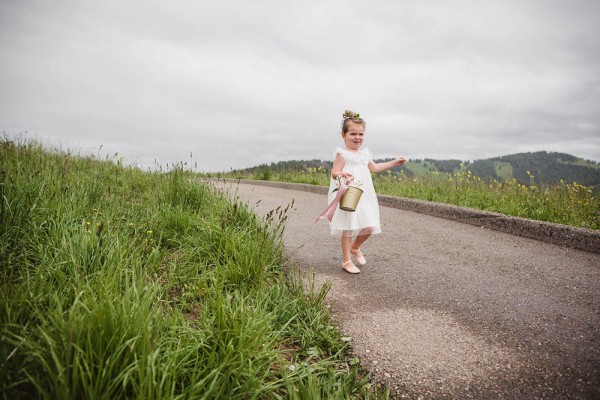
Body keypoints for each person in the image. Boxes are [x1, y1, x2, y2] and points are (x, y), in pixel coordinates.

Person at [327, 110, 405, 274]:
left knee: (370, 226)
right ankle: (346, 261)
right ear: (344, 135)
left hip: (365, 194)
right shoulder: (343, 155)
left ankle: (356, 247)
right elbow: (334, 172)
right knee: (347, 227)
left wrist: (394, 163)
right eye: (353, 134)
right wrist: (342, 174)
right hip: (349, 193)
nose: (357, 138)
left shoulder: (364, 154)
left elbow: (375, 168)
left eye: (361, 134)